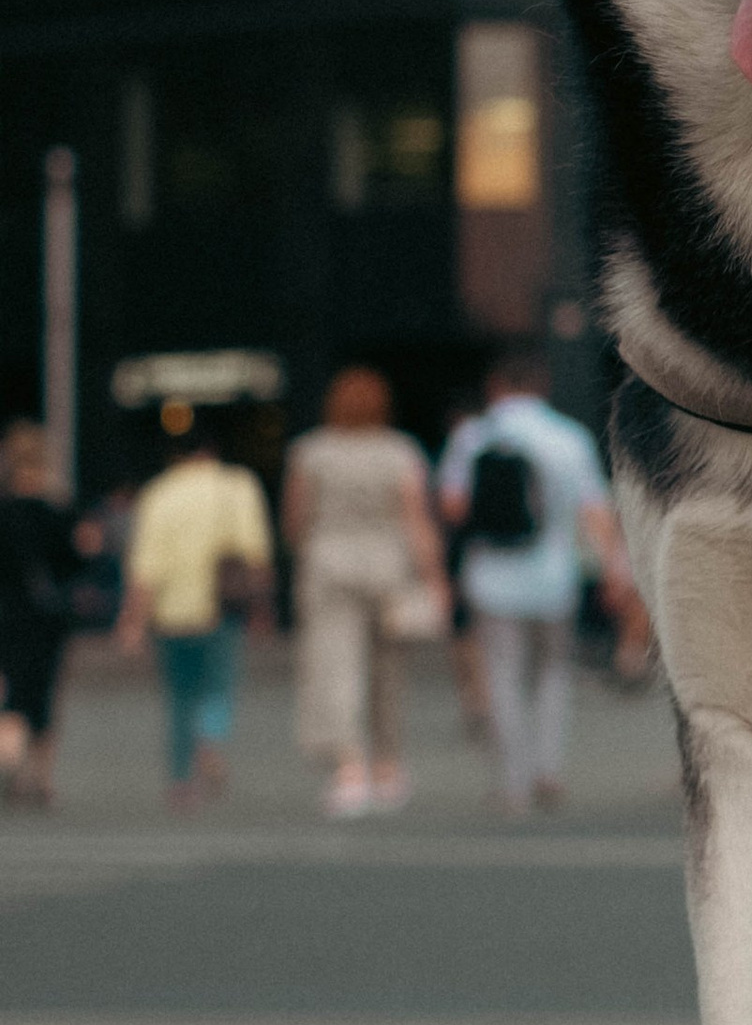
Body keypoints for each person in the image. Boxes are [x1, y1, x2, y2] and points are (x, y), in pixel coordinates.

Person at [436, 350, 632, 815]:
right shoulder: (569, 437)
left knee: (503, 676)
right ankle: (548, 769)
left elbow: (453, 508)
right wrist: (614, 568)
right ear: (541, 386)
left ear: (496, 387)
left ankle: (512, 781)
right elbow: (595, 511)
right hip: (554, 576)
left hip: (492, 575)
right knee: (552, 673)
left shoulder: (473, 436)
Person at [281, 368, 445, 822]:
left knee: (336, 666)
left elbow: (296, 520)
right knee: (388, 673)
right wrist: (434, 578)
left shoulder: (310, 451)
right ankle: (390, 769)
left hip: (329, 563)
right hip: (388, 564)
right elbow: (416, 519)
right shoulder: (399, 451)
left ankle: (350, 770)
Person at [117, 420, 273, 811]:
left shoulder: (159, 493)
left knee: (180, 697)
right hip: (221, 607)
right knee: (217, 685)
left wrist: (133, 620)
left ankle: (181, 781)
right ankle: (210, 741)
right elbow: (255, 553)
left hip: (172, 611)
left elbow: (146, 565)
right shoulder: (238, 486)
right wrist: (262, 607)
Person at [0, 421, 88, 810]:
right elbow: (76, 563)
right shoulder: (58, 512)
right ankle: (42, 776)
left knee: (14, 691)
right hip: (47, 618)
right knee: (45, 694)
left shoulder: (4, 512)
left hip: (6, 614)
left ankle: (11, 763)